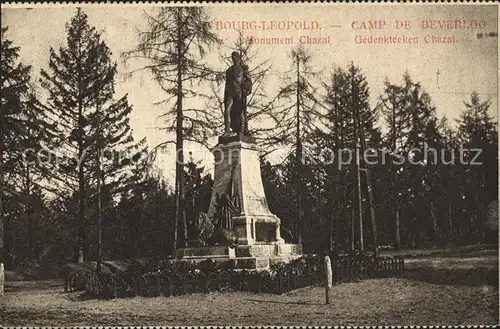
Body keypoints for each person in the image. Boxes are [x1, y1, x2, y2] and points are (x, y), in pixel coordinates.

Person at [223, 51, 252, 135]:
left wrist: (247, 89)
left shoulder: (243, 69)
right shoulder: (229, 70)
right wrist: (225, 95)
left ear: (239, 58)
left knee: (240, 111)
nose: (234, 59)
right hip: (230, 93)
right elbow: (227, 83)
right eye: (233, 58)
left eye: (236, 57)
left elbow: (249, 80)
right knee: (227, 110)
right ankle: (227, 130)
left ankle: (242, 131)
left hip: (239, 92)